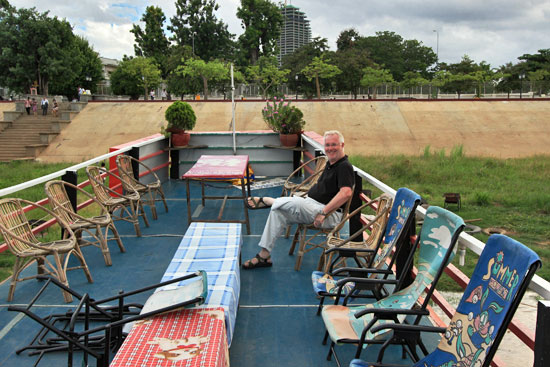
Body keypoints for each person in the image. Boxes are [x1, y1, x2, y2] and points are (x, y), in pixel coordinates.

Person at [243, 130, 354, 269]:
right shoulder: (331, 163)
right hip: (312, 206)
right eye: (327, 145)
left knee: (295, 202)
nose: (330, 148)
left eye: (334, 145)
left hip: (328, 214)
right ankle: (264, 256)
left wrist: (324, 212)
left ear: (342, 145)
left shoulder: (344, 166)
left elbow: (346, 193)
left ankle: (270, 200)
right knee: (278, 211)